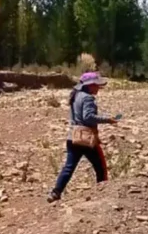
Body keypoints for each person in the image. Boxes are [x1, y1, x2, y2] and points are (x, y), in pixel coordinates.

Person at [47, 72, 121, 203]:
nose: (99, 88)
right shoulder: (88, 98)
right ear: (90, 85)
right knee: (101, 167)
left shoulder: (75, 95)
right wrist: (108, 120)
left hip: (73, 137)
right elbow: (88, 117)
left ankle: (55, 192)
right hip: (86, 139)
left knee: (68, 167)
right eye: (97, 85)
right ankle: (103, 193)